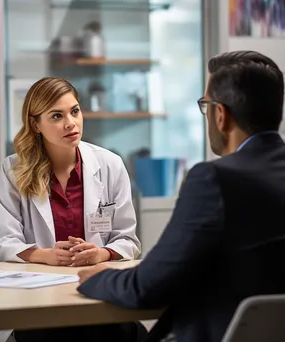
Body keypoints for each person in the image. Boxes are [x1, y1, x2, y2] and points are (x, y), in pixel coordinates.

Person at [77, 50, 285, 342]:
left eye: (205, 105)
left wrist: (98, 278)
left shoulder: (213, 179)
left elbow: (145, 288)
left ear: (221, 115)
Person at [0, 77, 144, 342]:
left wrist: (101, 253)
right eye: (57, 116)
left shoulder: (110, 165)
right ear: (35, 124)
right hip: (40, 299)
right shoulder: (14, 171)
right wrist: (44, 255)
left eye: (74, 111)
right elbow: (3, 242)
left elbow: (127, 239)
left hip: (97, 293)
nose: (71, 123)